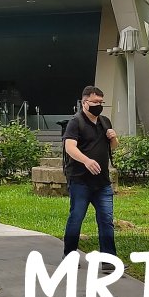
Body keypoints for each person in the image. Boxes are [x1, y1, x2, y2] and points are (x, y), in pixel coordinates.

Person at [62, 85, 119, 257]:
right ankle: (69, 254)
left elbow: (114, 147)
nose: (99, 105)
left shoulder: (104, 121)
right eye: (95, 102)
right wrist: (86, 161)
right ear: (85, 102)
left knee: (106, 221)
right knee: (76, 218)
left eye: (101, 102)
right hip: (80, 181)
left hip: (102, 182)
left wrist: (113, 137)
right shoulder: (75, 122)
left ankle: (108, 259)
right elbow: (69, 147)